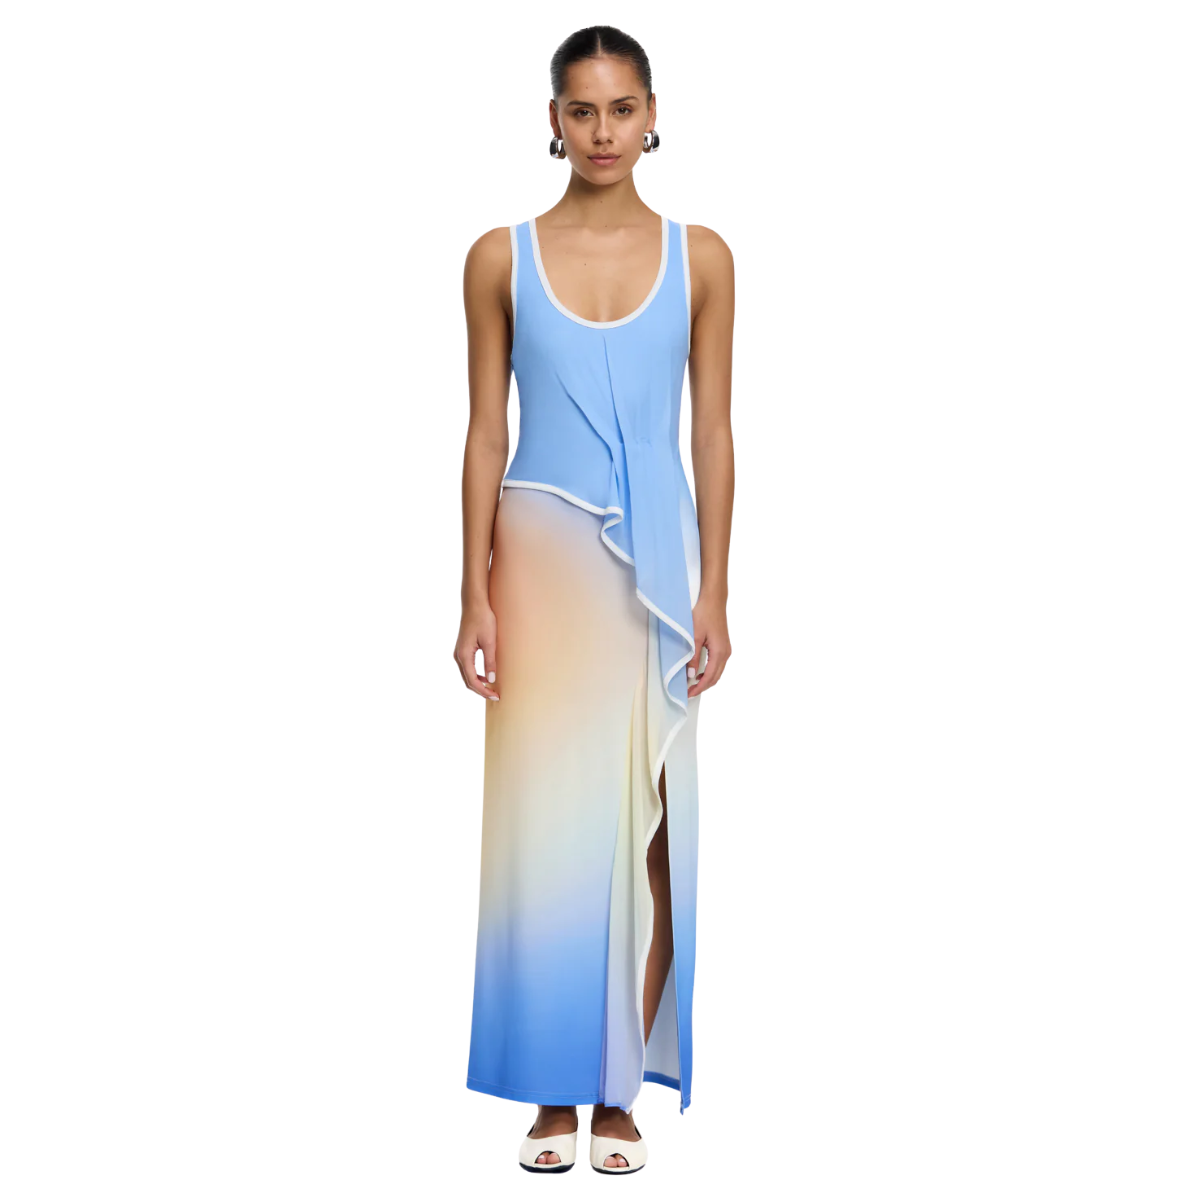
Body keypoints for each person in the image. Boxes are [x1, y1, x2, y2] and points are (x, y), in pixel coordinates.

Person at [454, 24, 735, 1176]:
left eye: (623, 109)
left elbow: (712, 433)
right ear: (554, 120)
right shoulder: (498, 257)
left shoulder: (702, 257)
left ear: (653, 114)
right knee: (546, 831)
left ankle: (621, 1090)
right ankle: (553, 1092)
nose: (604, 131)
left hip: (658, 566)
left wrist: (719, 589)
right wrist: (470, 593)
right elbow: (485, 432)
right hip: (540, 561)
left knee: (651, 823)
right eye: (584, 110)